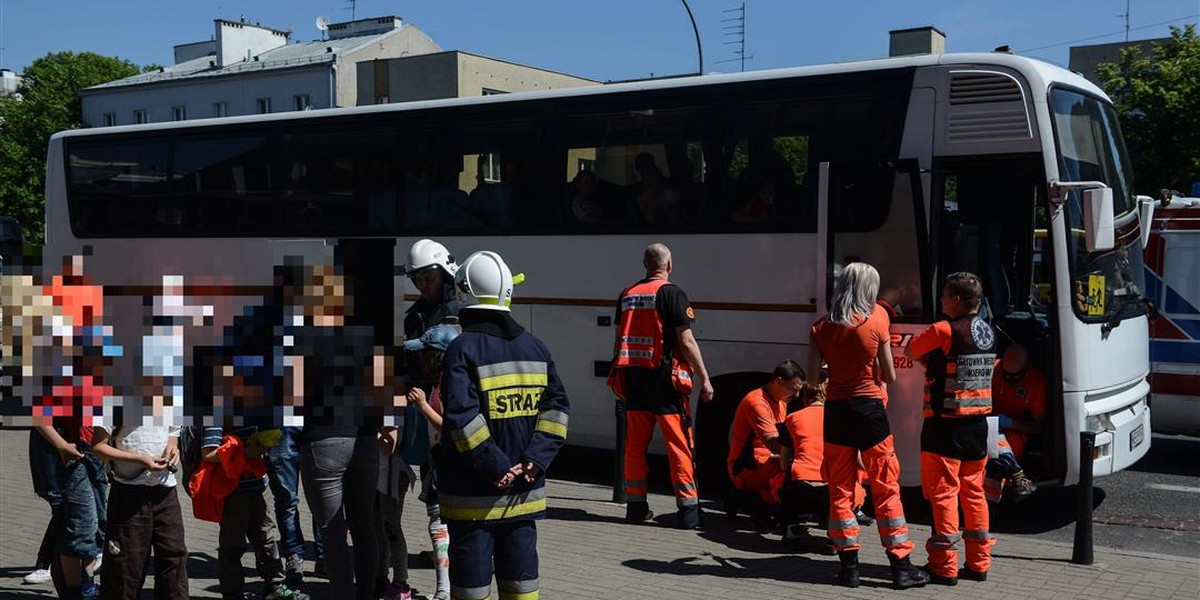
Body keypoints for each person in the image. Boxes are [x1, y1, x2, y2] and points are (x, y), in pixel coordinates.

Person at [436, 250, 570, 600]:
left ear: (462, 293)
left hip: (473, 498)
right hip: (523, 496)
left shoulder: (462, 348)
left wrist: (495, 465)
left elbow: (461, 418)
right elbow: (557, 411)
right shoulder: (536, 348)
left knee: (471, 590)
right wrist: (534, 460)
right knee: (523, 587)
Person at [808, 262, 927, 589]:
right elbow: (888, 374)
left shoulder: (821, 328)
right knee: (886, 486)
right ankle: (901, 566)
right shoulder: (877, 318)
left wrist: (836, 369)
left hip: (836, 412)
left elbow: (812, 378)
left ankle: (849, 568)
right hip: (869, 410)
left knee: (841, 489)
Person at [290, 264, 398, 600]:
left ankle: (343, 595)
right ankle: (367, 592)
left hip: (323, 442)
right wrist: (389, 424)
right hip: (365, 440)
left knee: (333, 531)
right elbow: (384, 382)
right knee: (364, 524)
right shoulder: (364, 336)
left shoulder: (300, 340)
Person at [607, 243, 714, 529]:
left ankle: (636, 507)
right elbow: (686, 341)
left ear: (645, 265)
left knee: (634, 447)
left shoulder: (627, 294)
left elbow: (619, 340)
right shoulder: (672, 294)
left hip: (634, 380)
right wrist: (704, 377)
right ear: (670, 265)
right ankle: (688, 512)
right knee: (678, 446)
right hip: (665, 382)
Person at [906, 271, 997, 585]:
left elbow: (911, 350)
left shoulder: (942, 329)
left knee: (944, 495)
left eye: (944, 295)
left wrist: (931, 359)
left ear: (956, 300)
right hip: (978, 426)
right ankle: (979, 564)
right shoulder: (988, 330)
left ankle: (943, 568)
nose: (941, 300)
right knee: (974, 494)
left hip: (945, 428)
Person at [201, 412, 308, 600]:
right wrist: (243, 452)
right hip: (232, 493)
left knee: (267, 537)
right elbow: (208, 453)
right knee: (232, 546)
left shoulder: (256, 412)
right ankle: (232, 592)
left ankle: (275, 587)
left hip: (257, 486)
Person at [91, 412, 188, 600]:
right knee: (125, 566)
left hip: (165, 492)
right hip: (128, 493)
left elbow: (173, 436)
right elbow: (97, 446)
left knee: (174, 558)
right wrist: (140, 460)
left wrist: (172, 449)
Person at [404, 325, 462, 600]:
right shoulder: (445, 379)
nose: (419, 359)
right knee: (442, 525)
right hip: (439, 463)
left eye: (424, 353)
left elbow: (452, 429)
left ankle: (444, 591)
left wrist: (423, 406)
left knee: (439, 525)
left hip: (447, 465)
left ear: (436, 356)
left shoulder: (451, 382)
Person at [726, 360, 805, 520]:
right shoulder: (756, 402)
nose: (796, 396)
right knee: (792, 471)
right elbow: (775, 445)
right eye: (793, 389)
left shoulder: (781, 401)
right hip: (747, 466)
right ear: (778, 381)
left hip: (766, 461)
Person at [988, 344, 1044, 499]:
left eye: (1015, 376)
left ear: (1026, 368)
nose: (1009, 380)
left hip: (1016, 428)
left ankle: (996, 496)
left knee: (1007, 446)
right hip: (987, 422)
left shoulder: (1036, 382)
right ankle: (1016, 473)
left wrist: (1010, 423)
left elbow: (1039, 427)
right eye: (1006, 375)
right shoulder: (992, 369)